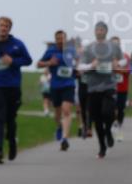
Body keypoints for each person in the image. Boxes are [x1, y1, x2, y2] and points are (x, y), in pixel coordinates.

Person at [0, 16, 33, 164]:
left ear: (10, 29)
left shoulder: (17, 44)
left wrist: (13, 61)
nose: (3, 28)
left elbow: (28, 60)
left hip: (13, 86)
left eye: (6, 26)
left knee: (10, 118)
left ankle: (12, 142)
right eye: (1, 25)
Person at [80, 22, 121, 158]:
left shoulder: (114, 47)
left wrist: (117, 63)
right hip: (93, 87)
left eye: (102, 29)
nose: (99, 31)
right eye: (97, 29)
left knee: (107, 113)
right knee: (97, 119)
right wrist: (91, 65)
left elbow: (124, 62)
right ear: (94, 31)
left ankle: (108, 131)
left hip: (109, 85)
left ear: (106, 31)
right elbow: (81, 66)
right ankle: (102, 146)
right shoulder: (89, 48)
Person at [37, 30, 78, 151]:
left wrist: (78, 68)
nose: (61, 40)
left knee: (66, 110)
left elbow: (78, 62)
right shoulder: (51, 51)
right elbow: (38, 64)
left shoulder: (71, 51)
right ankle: (59, 127)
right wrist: (49, 62)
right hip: (55, 86)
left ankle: (65, 138)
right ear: (55, 40)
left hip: (69, 84)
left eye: (63, 38)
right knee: (57, 113)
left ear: (66, 39)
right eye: (58, 39)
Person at [112, 36, 129, 142]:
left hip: (122, 88)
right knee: (112, 110)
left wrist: (116, 68)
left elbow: (128, 71)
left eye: (117, 44)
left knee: (120, 111)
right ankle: (117, 132)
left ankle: (118, 126)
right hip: (110, 88)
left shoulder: (126, 57)